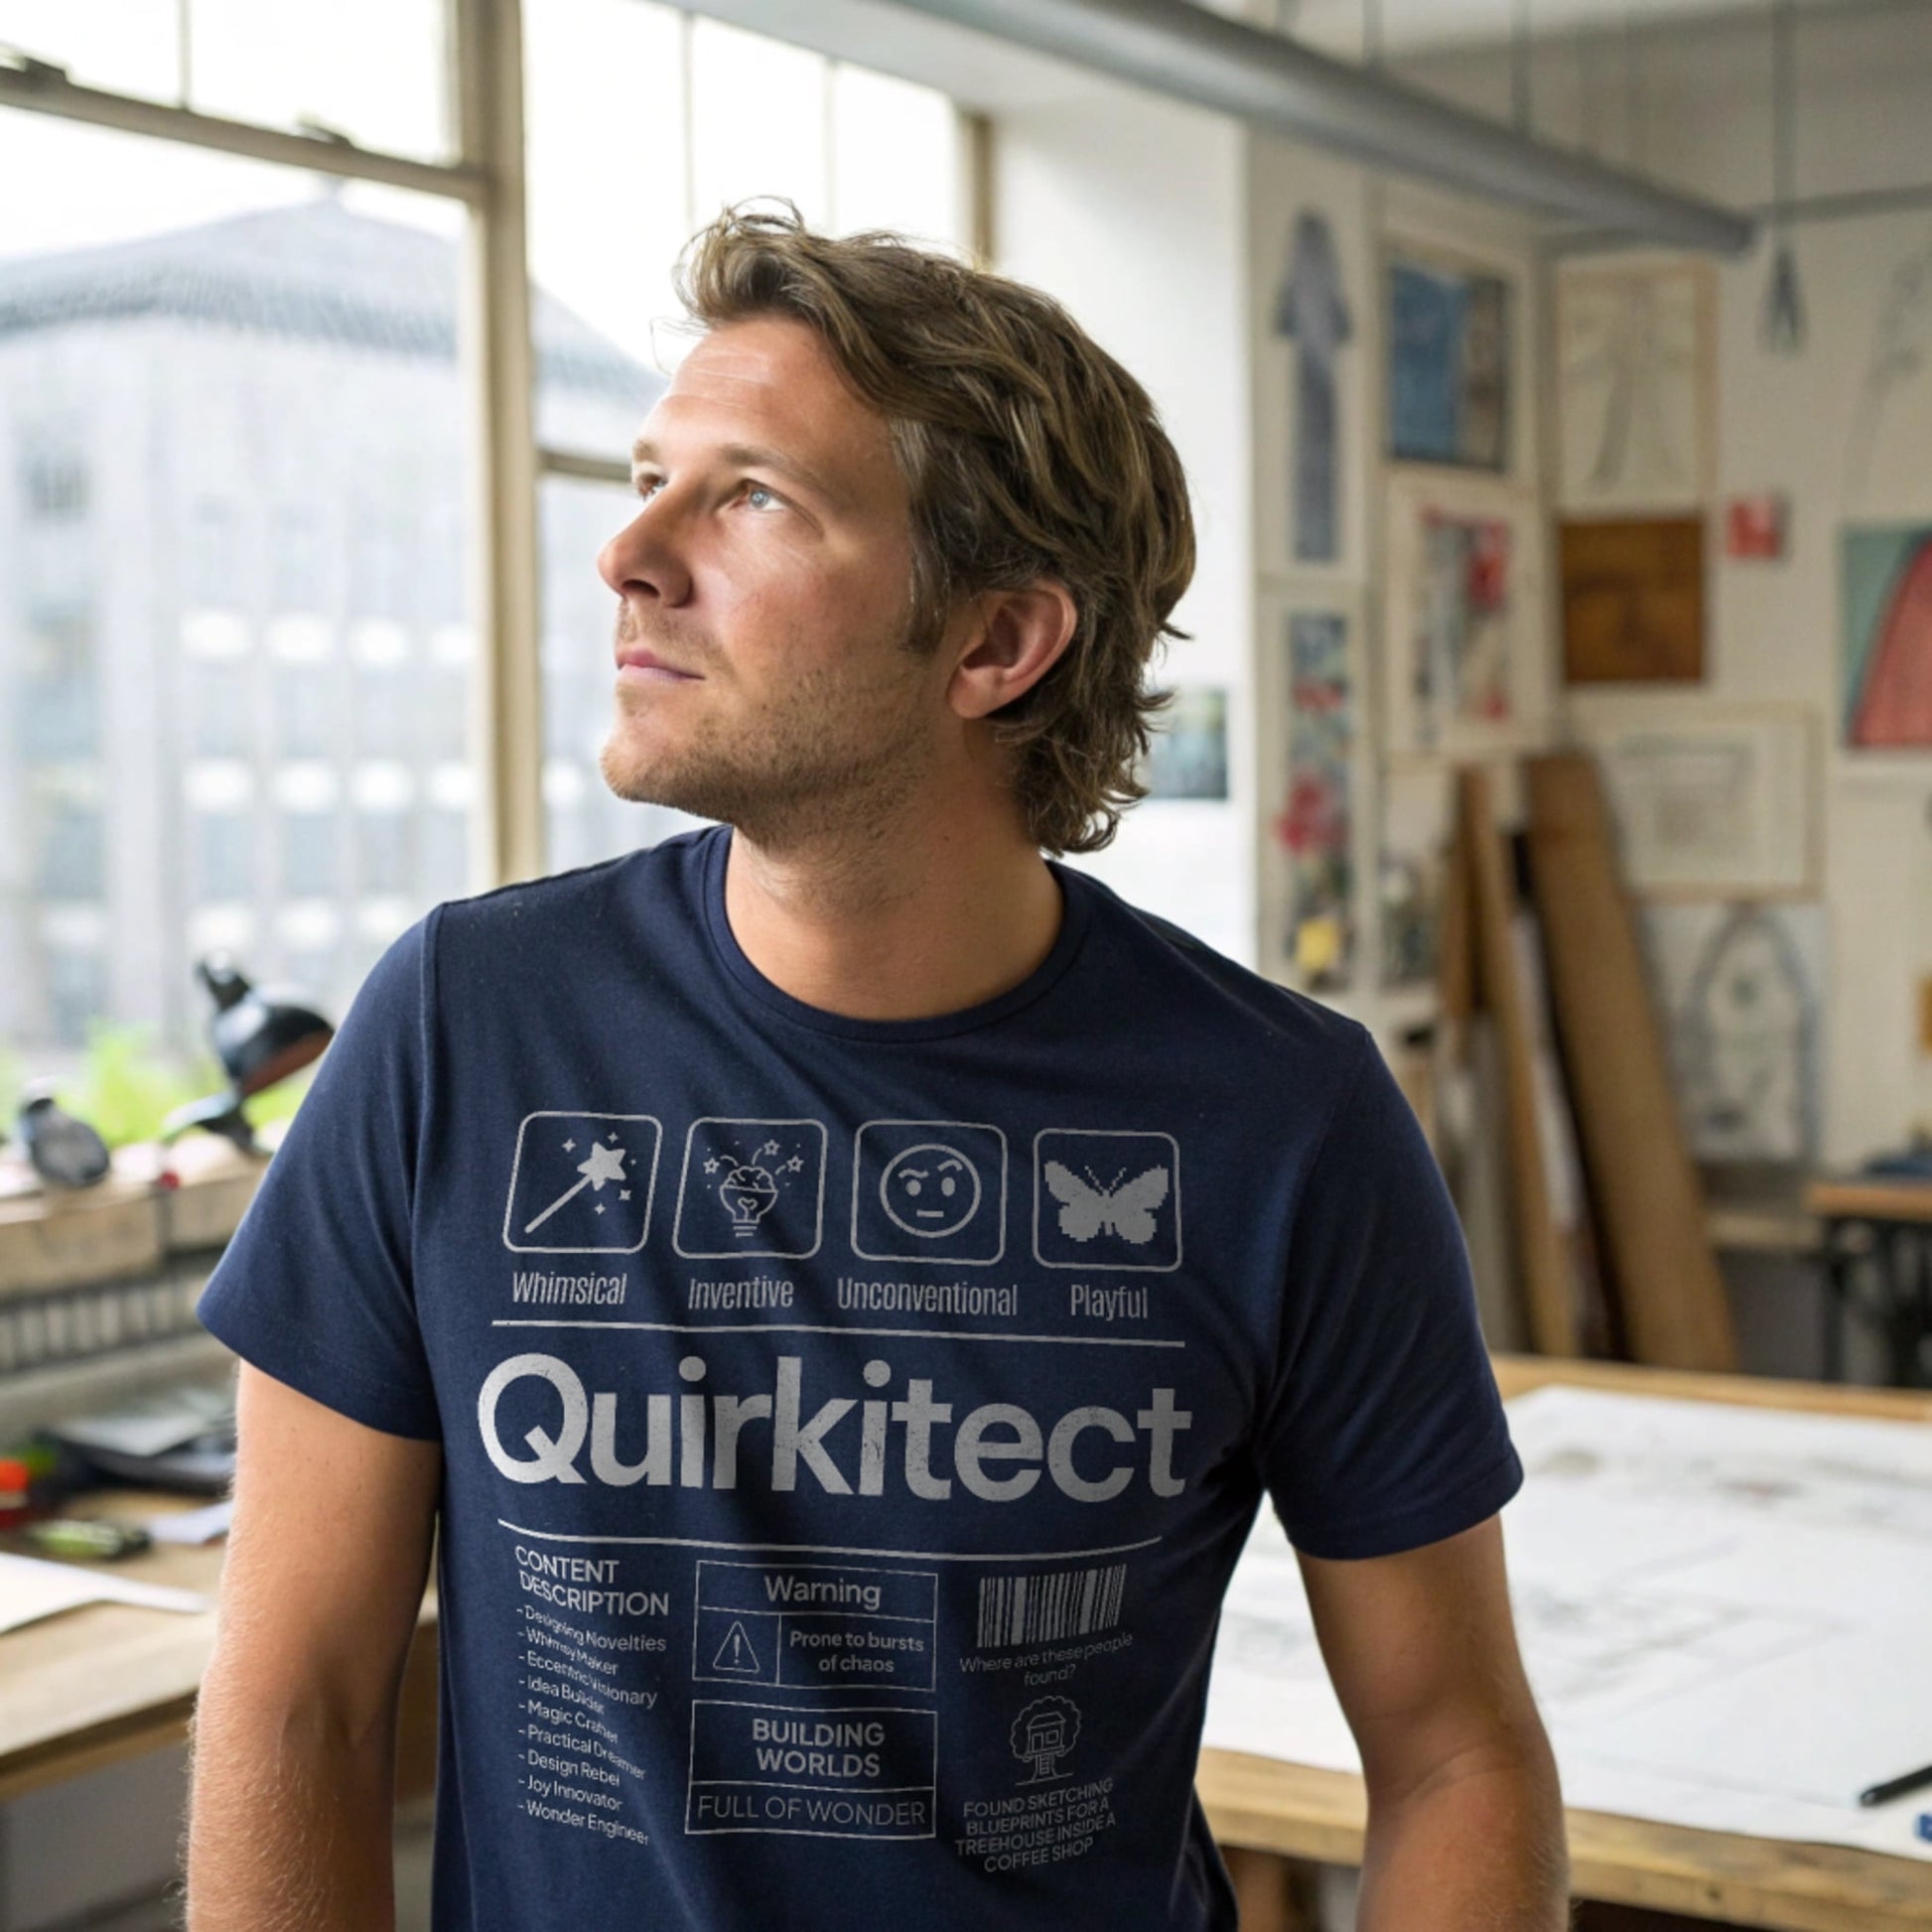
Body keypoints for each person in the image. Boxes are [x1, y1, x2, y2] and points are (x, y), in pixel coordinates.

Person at [185, 202, 1566, 1931]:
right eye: (647, 477)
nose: (630, 552)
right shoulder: (467, 1020)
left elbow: (1453, 1755)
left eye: (750, 496)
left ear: (995, 643)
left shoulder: (1280, 1117)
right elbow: (297, 1693)